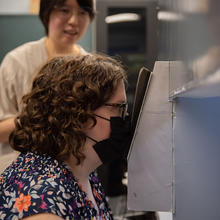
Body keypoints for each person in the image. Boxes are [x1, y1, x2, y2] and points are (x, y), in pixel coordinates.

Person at [0, 54, 131, 219]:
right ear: (79, 113)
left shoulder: (82, 169)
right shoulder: (44, 202)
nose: (125, 115)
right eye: (118, 107)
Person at [0, 0, 95, 171]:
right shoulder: (17, 62)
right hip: (21, 176)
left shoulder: (92, 70)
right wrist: (42, 116)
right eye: (64, 10)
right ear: (47, 14)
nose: (74, 21)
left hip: (75, 172)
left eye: (83, 12)